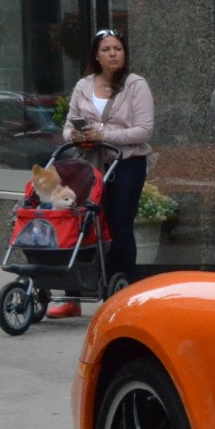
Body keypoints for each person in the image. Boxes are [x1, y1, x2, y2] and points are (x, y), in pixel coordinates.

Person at [54, 29, 155, 317]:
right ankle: (73, 296)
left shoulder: (136, 85)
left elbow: (144, 130)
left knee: (119, 226)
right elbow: (67, 127)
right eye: (107, 49)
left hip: (126, 163)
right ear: (96, 55)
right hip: (89, 164)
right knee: (80, 223)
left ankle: (122, 295)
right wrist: (74, 136)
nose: (113, 54)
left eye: (118, 49)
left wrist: (104, 134)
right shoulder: (84, 85)